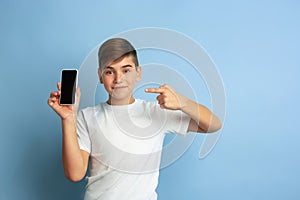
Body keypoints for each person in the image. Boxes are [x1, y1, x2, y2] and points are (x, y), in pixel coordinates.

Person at [48, 38, 222, 200]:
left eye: (126, 70)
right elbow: (75, 173)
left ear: (138, 73)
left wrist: (183, 102)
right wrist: (68, 119)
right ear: (100, 76)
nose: (119, 79)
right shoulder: (87, 117)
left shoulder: (157, 112)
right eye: (110, 72)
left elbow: (213, 125)